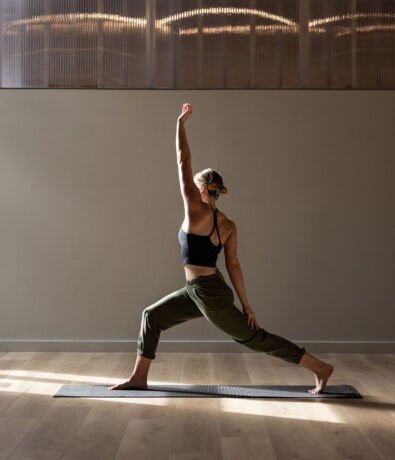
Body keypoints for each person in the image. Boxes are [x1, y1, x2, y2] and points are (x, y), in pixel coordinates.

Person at [110, 103, 334, 394]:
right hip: (199, 290)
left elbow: (183, 161)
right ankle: (139, 377)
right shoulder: (228, 224)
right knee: (151, 316)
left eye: (196, 184)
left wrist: (180, 123)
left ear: (203, 189)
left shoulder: (195, 208)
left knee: (256, 339)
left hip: (209, 294)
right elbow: (234, 266)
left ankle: (319, 368)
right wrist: (246, 304)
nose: (191, 187)